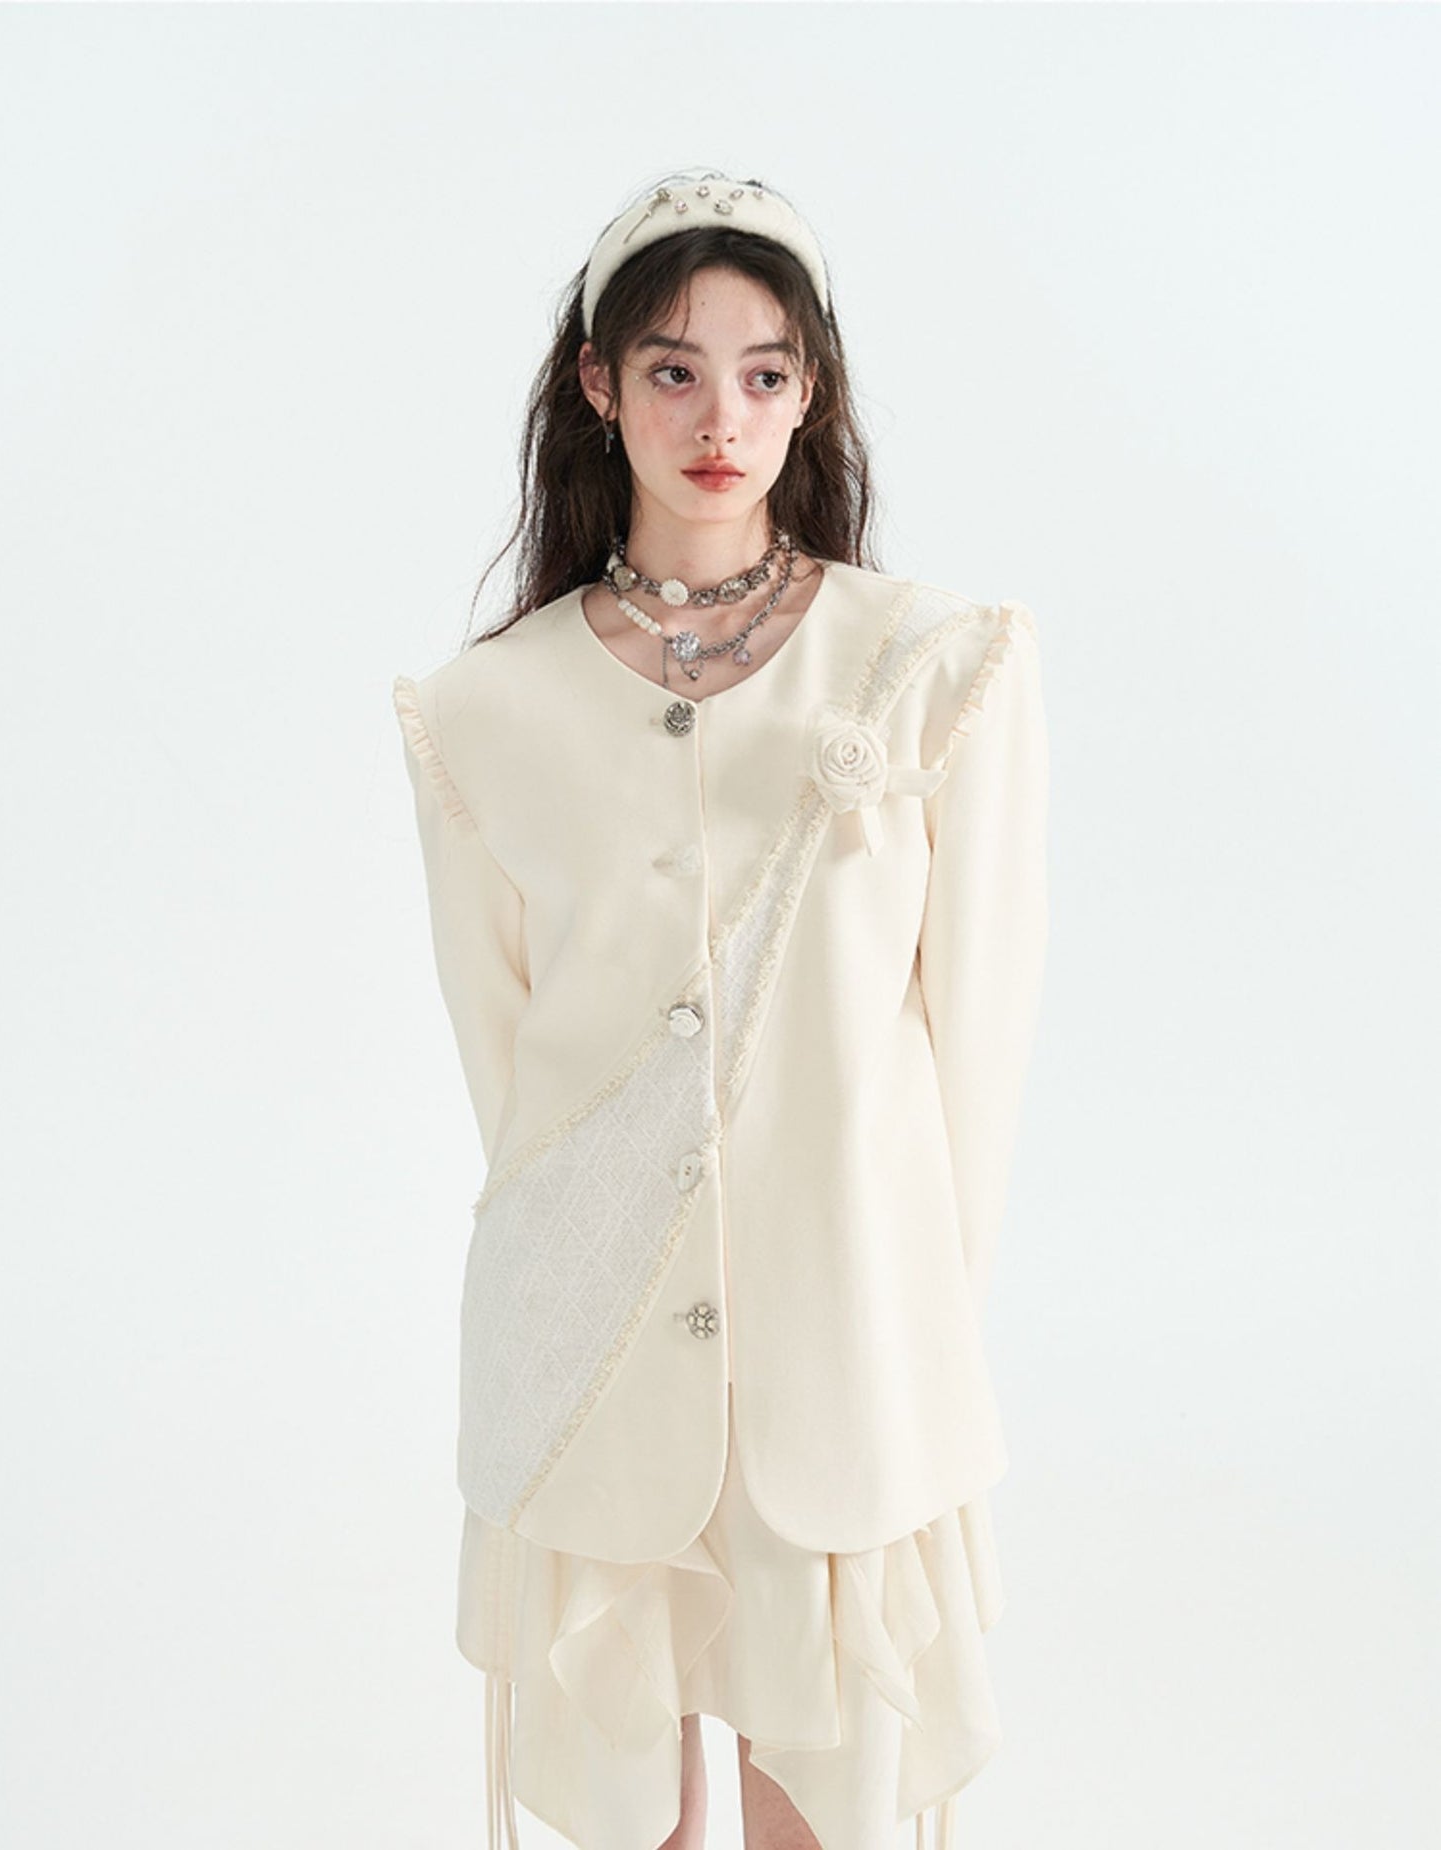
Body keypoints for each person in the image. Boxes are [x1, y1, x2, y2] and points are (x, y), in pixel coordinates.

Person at [391, 166, 1049, 1850]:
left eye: (763, 373)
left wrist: (912, 1325)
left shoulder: (936, 665)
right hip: (592, 1336)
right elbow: (509, 1071)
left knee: (817, 1800)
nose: (719, 417)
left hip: (847, 1332)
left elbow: (973, 1046)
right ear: (598, 385)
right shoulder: (484, 711)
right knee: (636, 1811)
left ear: (809, 391)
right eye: (673, 369)